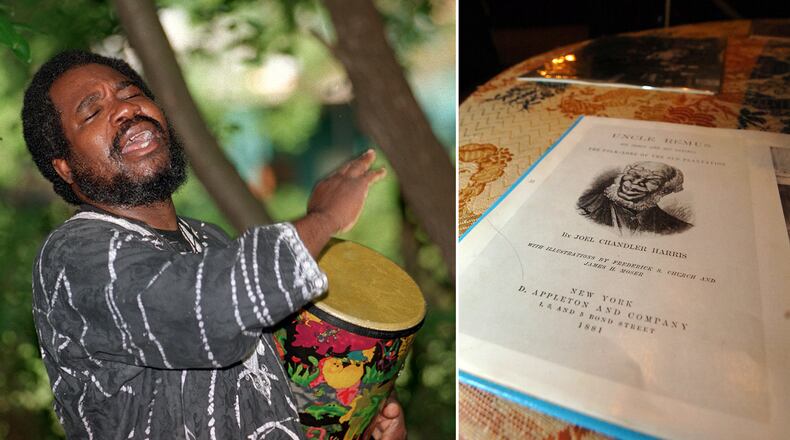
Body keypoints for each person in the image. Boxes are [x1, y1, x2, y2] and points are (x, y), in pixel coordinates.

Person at [22, 50, 405, 440]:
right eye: (92, 112)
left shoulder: (207, 240)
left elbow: (264, 392)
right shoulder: (72, 258)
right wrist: (325, 217)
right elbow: (209, 309)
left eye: (131, 93)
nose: (125, 110)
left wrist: (352, 420)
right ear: (64, 167)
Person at [577, 161, 692, 235]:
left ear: (664, 190)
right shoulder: (584, 207)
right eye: (634, 174)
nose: (635, 183)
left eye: (652, 180)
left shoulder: (676, 227)